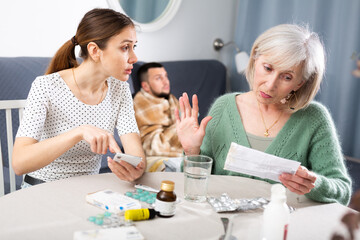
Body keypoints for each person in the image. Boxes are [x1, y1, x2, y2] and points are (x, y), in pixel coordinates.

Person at [175, 24, 351, 205]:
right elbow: (194, 186)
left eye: (287, 77)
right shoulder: (223, 108)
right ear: (255, 60)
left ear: (299, 83)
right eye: (267, 68)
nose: (270, 84)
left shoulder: (314, 118)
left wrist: (314, 184)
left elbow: (343, 191)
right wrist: (191, 151)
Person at [12, 8, 146, 186]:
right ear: (95, 51)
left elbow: (136, 154)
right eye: (125, 48)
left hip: (88, 191)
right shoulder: (46, 86)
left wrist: (135, 169)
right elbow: (19, 163)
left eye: (133, 47)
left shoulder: (120, 90)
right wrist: (79, 132)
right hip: (42, 189)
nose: (134, 58)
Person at [133, 62, 183, 158]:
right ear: (145, 86)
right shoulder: (140, 102)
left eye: (166, 76)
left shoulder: (171, 98)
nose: (166, 82)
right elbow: (154, 146)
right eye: (158, 78)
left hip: (177, 144)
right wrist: (181, 124)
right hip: (155, 148)